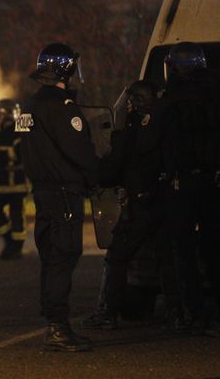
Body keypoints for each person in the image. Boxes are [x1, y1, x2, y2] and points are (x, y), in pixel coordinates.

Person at [17, 43, 99, 351]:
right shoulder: (61, 106)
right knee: (63, 256)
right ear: (66, 69)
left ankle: (53, 319)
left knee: (51, 256)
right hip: (64, 191)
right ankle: (57, 327)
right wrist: (97, 176)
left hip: (42, 191)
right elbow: (78, 150)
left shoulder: (28, 106)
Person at [81, 80, 165, 330]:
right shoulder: (169, 123)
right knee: (172, 259)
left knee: (117, 258)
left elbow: (115, 164)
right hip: (167, 201)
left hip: (139, 206)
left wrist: (95, 174)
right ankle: (182, 314)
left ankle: (107, 312)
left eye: (133, 100)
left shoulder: (132, 130)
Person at [159, 42, 220, 336]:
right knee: (213, 249)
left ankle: (192, 312)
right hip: (212, 182)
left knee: (183, 251)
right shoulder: (215, 91)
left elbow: (162, 143)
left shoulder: (172, 98)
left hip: (182, 183)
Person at [0, 99, 29, 259]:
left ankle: (16, 247)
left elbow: (23, 155)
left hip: (16, 182)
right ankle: (10, 241)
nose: (0, 117)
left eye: (1, 113)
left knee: (17, 214)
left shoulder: (21, 132)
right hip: (2, 182)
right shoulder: (1, 133)